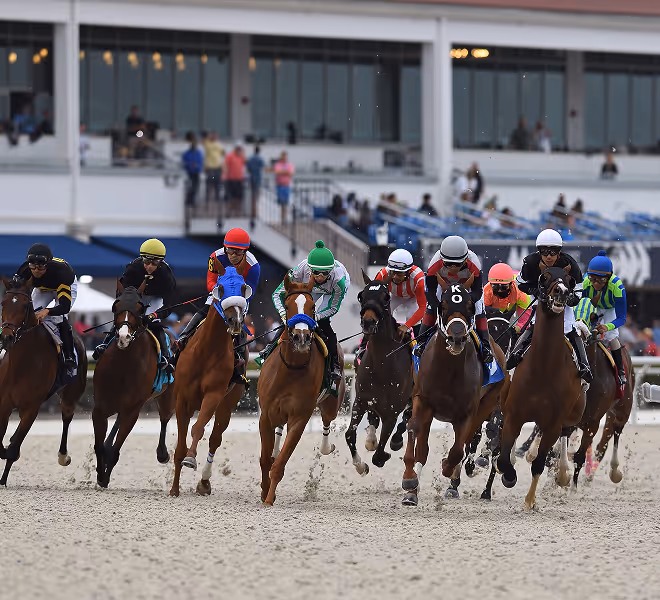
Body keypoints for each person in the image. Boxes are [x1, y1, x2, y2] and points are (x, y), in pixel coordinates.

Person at [175, 228, 260, 384]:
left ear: (245, 251)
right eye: (230, 251)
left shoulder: (253, 265)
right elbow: (210, 282)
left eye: (238, 252)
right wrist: (221, 291)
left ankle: (240, 359)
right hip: (219, 293)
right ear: (225, 247)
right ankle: (183, 337)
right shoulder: (215, 257)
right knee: (204, 310)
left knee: (238, 322)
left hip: (240, 297)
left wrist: (236, 299)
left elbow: (251, 290)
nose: (233, 256)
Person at [507, 229, 592, 382]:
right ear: (539, 251)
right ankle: (516, 353)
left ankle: (584, 365)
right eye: (544, 252)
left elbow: (579, 290)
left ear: (559, 252)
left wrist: (570, 299)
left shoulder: (570, 264)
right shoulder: (530, 262)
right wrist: (533, 290)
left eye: (553, 252)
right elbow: (519, 283)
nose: (548, 256)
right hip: (540, 293)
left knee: (569, 327)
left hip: (563, 295)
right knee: (534, 324)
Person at [267, 241, 349, 382]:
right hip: (309, 288)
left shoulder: (339, 280)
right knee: (294, 316)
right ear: (310, 269)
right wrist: (284, 316)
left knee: (323, 323)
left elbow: (332, 308)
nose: (320, 277)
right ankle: (268, 349)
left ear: (331, 270)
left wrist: (313, 317)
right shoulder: (301, 270)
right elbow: (277, 294)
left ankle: (334, 365)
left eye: (325, 273)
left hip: (331, 292)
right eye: (316, 272)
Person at [93, 239, 177, 373]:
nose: (149, 266)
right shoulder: (133, 268)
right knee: (125, 318)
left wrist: (154, 315)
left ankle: (165, 357)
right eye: (146, 261)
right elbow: (122, 294)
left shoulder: (166, 275)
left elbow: (169, 305)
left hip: (156, 299)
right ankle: (104, 344)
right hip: (136, 296)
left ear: (160, 262)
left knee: (154, 323)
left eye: (154, 263)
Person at [414, 236, 493, 364]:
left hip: (466, 289)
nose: (453, 268)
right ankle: (421, 342)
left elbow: (477, 291)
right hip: (444, 286)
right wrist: (437, 306)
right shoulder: (435, 261)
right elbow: (431, 292)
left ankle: (486, 347)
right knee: (430, 307)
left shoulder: (474, 262)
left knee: (479, 309)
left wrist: (465, 300)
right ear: (442, 259)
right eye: (448, 264)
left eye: (457, 264)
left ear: (466, 259)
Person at [14, 243, 78, 369]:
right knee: (28, 313)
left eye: (40, 266)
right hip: (42, 289)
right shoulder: (24, 270)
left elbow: (64, 306)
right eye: (33, 266)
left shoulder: (63, 273)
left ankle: (70, 355)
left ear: (48, 265)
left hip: (62, 287)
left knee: (59, 318)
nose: (36, 270)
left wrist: (48, 311)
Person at [355, 249, 426, 361]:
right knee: (378, 314)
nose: (395, 277)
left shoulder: (418, 278)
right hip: (394, 297)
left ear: (408, 271)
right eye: (393, 272)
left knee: (414, 319)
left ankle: (419, 348)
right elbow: (374, 298)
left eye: (399, 273)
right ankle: (364, 345)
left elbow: (422, 308)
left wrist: (406, 325)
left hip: (413, 298)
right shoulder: (383, 274)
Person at [575, 251, 628, 385]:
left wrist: (607, 327)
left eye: (601, 280)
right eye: (593, 278)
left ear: (609, 277)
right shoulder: (585, 282)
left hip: (609, 308)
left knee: (612, 336)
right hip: (591, 305)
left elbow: (622, 318)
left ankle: (620, 371)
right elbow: (577, 305)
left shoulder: (617, 286)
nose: (596, 284)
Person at [484, 263, 533, 342]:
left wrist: (515, 329)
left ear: (511, 284)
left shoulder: (521, 292)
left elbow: (525, 322)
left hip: (518, 301)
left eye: (504, 287)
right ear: (490, 285)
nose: (499, 290)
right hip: (498, 307)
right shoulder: (486, 293)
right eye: (495, 287)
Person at [224, 144, 246, 216]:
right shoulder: (230, 156)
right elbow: (225, 165)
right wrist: (225, 175)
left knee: (239, 196)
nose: (239, 150)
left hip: (239, 179)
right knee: (231, 196)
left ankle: (237, 212)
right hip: (231, 179)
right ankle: (229, 211)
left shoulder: (241, 157)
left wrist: (243, 153)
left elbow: (245, 163)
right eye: (238, 148)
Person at [203, 131, 224, 206]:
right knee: (210, 183)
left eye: (215, 135)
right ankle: (207, 201)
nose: (214, 137)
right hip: (210, 168)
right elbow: (204, 140)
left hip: (217, 168)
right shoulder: (207, 143)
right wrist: (209, 136)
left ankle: (217, 201)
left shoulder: (219, 144)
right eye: (213, 135)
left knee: (217, 184)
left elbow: (222, 153)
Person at [273, 151, 295, 224]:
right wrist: (286, 172)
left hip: (286, 185)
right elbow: (277, 172)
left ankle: (284, 219)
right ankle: (282, 218)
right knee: (281, 203)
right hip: (280, 185)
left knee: (285, 203)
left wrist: (282, 172)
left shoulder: (289, 164)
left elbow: (291, 173)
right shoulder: (278, 164)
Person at [182, 136, 203, 208]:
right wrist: (190, 165)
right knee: (190, 187)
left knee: (196, 187)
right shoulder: (187, 153)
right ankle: (188, 201)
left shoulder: (198, 153)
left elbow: (200, 162)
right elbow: (184, 162)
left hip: (196, 173)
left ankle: (192, 201)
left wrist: (197, 166)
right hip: (189, 173)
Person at [246, 146, 265, 227]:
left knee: (253, 196)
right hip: (257, 179)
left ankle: (253, 212)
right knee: (256, 197)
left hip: (251, 178)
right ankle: (255, 213)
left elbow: (248, 168)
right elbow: (263, 167)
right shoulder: (260, 159)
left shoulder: (250, 158)